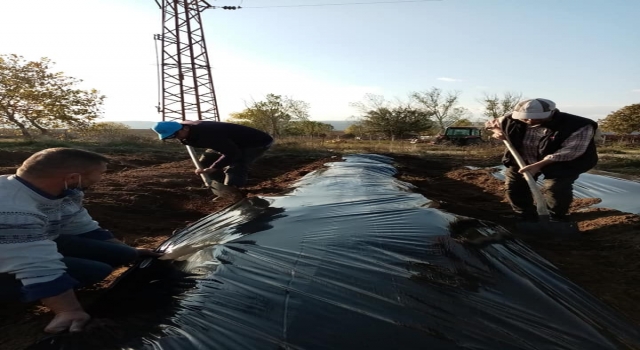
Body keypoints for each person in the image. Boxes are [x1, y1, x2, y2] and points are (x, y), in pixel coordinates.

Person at [0, 148, 161, 334]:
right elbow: (36, 266)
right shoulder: (12, 211)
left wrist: (127, 250)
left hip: (33, 241)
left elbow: (83, 227)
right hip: (16, 253)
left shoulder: (64, 193)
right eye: (100, 174)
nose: (101, 179)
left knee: (125, 254)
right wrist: (69, 310)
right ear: (72, 178)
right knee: (93, 271)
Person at [485, 98, 598, 222]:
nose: (530, 121)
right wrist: (497, 131)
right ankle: (524, 214)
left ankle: (555, 217)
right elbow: (490, 123)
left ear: (551, 113)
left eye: (536, 118)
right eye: (525, 118)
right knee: (515, 185)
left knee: (556, 188)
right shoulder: (509, 119)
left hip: (562, 162)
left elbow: (570, 152)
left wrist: (539, 165)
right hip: (523, 158)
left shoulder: (578, 125)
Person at [151, 120, 274, 199]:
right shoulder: (184, 127)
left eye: (176, 135)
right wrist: (210, 167)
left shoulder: (208, 134)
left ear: (185, 128)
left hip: (254, 142)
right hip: (227, 142)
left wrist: (214, 167)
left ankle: (232, 192)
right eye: (171, 137)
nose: (176, 138)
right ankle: (219, 188)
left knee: (236, 164)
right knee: (205, 161)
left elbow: (232, 152)